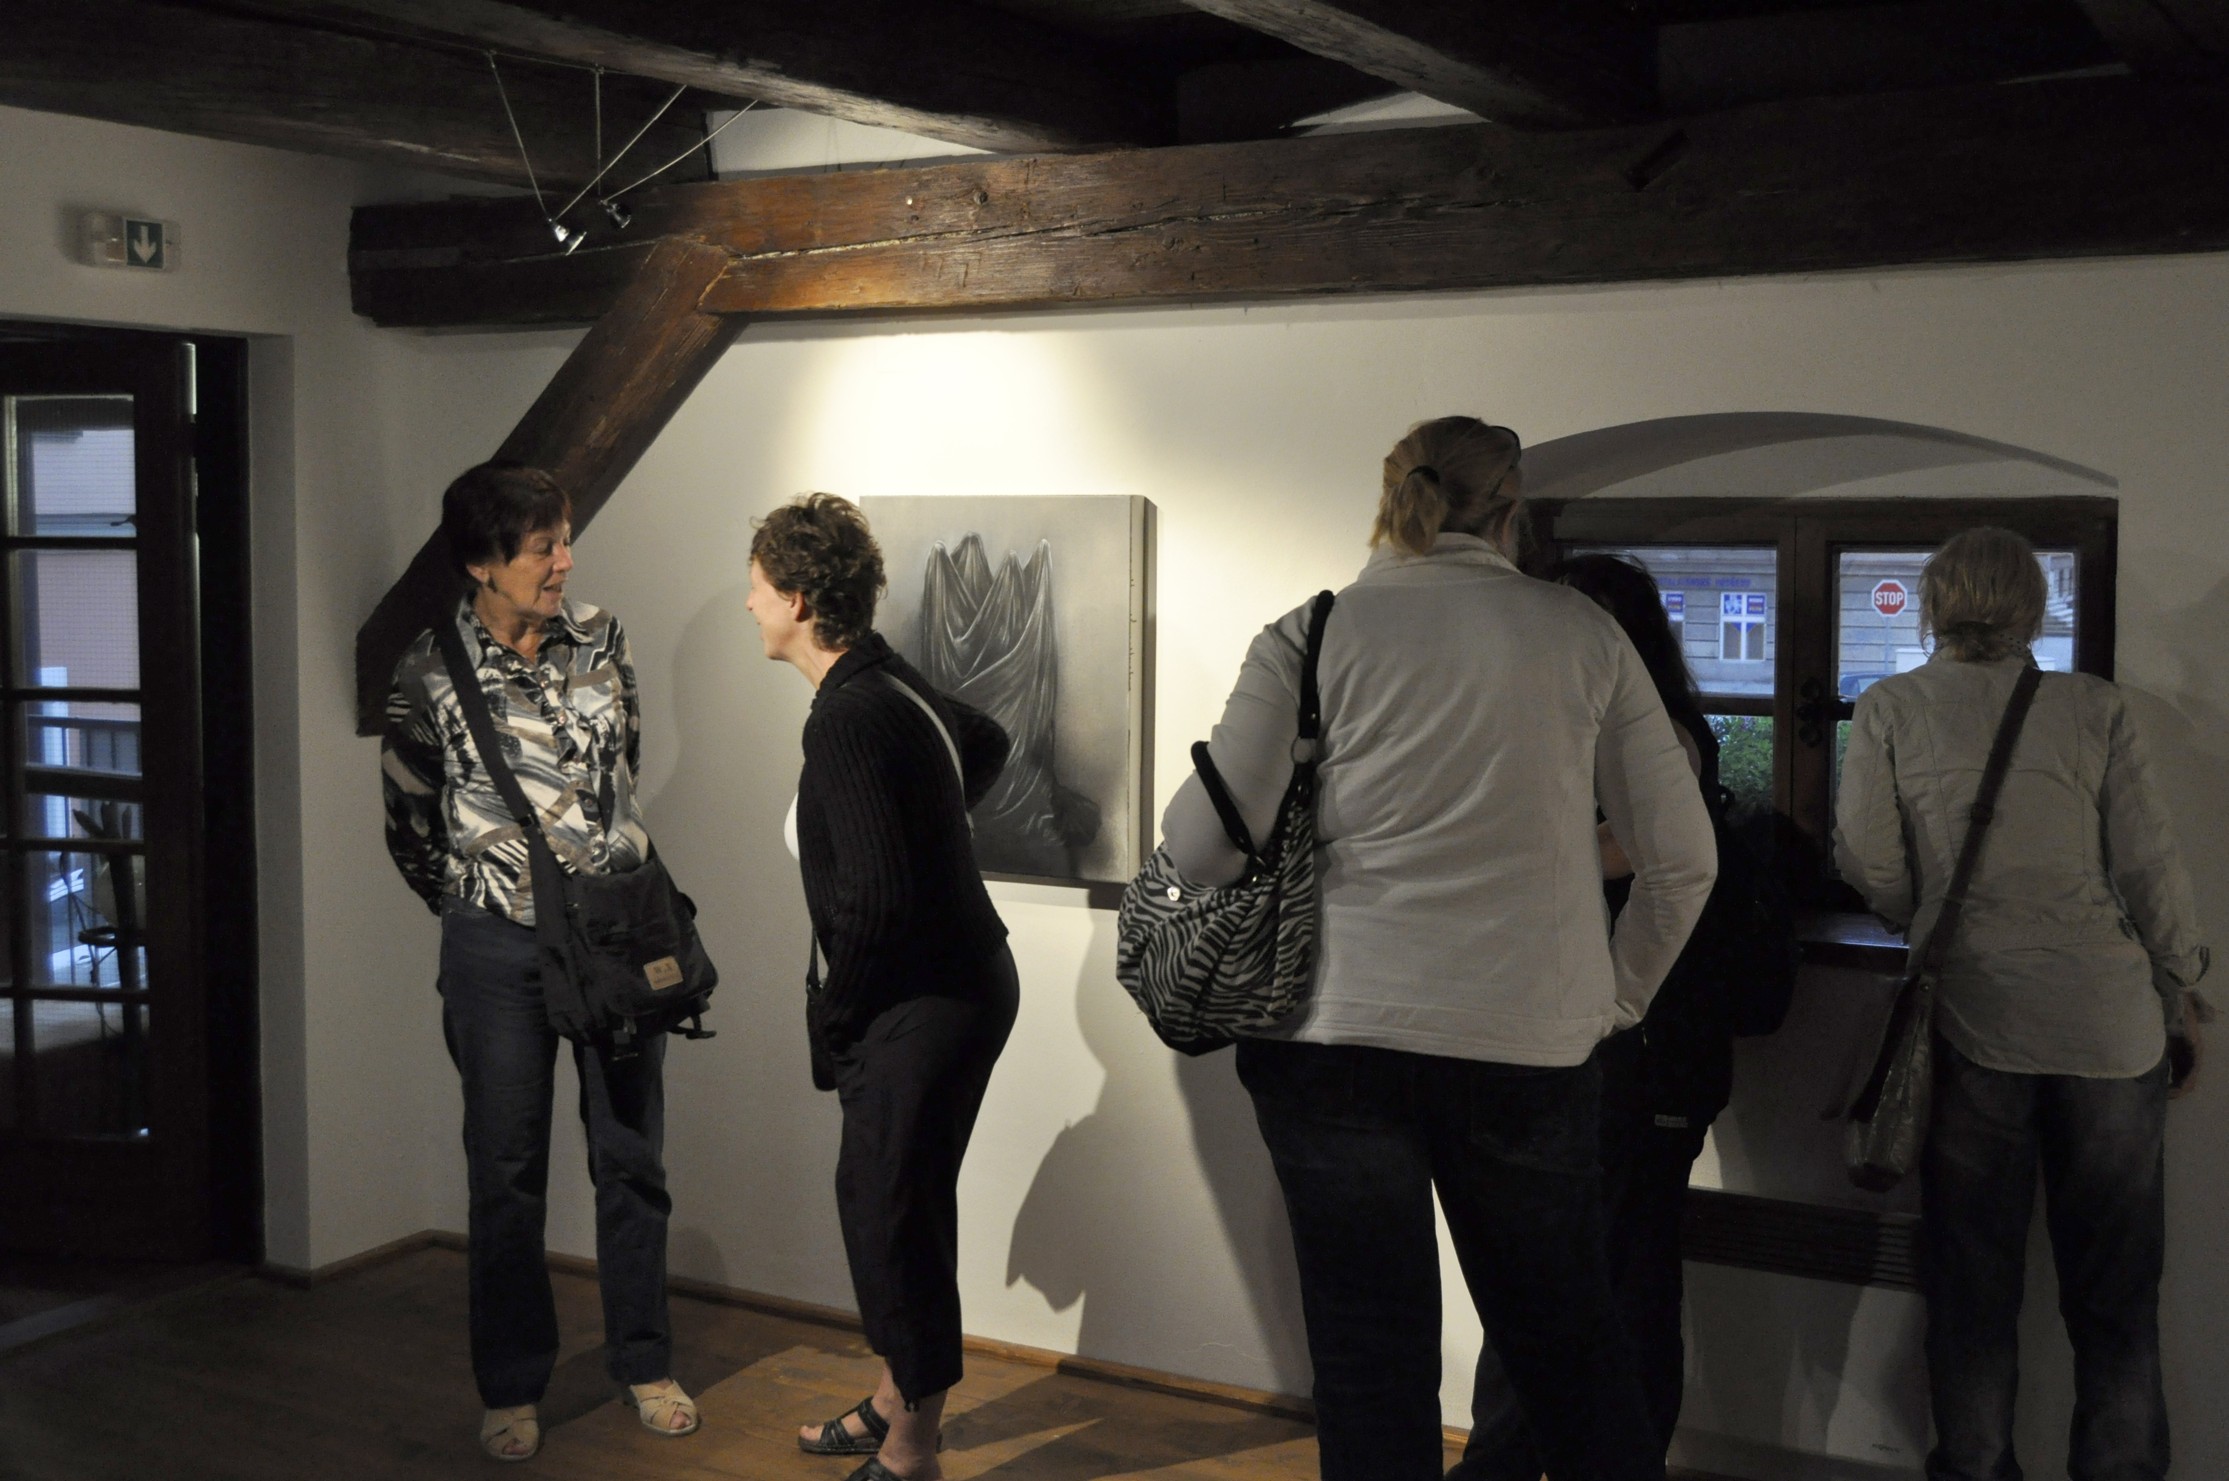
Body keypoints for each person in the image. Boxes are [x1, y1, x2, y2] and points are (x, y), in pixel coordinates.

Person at [1163, 417, 1719, 1481]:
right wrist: (1618, 998)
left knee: (1368, 1363)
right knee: (1570, 1352)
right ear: (1510, 512)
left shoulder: (1309, 633)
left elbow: (1196, 849)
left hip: (1330, 1038)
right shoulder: (1578, 633)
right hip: (1527, 1049)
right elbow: (1683, 860)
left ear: (1390, 500)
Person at [1835, 525, 2210, 1481]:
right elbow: (2149, 864)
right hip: (2109, 1024)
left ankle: (1973, 1467)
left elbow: (1866, 858)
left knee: (1971, 1287)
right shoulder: (2093, 706)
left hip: (1973, 1018)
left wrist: (1926, 917)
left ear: (1933, 603)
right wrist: (2182, 985)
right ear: (2032, 609)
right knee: (2117, 1296)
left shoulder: (1889, 705)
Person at [382, 461, 698, 1461]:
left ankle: (643, 1360)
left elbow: (623, 764)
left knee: (631, 1159)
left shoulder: (602, 637)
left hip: (616, 939)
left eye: (565, 539)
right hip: (498, 950)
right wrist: (487, 899)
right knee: (507, 1174)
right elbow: (408, 820)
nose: (564, 560)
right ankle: (512, 1384)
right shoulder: (427, 669)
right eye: (541, 546)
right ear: (482, 562)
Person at [745, 492, 1017, 1481]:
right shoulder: (880, 679)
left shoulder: (849, 716)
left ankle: (909, 1454)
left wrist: (837, 1016)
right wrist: (928, 824)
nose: (748, 603)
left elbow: (870, 902)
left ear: (798, 599)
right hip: (956, 983)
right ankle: (897, 1403)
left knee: (889, 1215)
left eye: (757, 585)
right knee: (898, 1205)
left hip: (919, 1001)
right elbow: (985, 739)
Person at [1453, 553, 1731, 1479]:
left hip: (1637, 1041)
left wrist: (1505, 837)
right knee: (1579, 1268)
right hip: (1598, 1036)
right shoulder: (1600, 722)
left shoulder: (1659, 735)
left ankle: (1528, 1462)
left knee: (1609, 1272)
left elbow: (1638, 856)